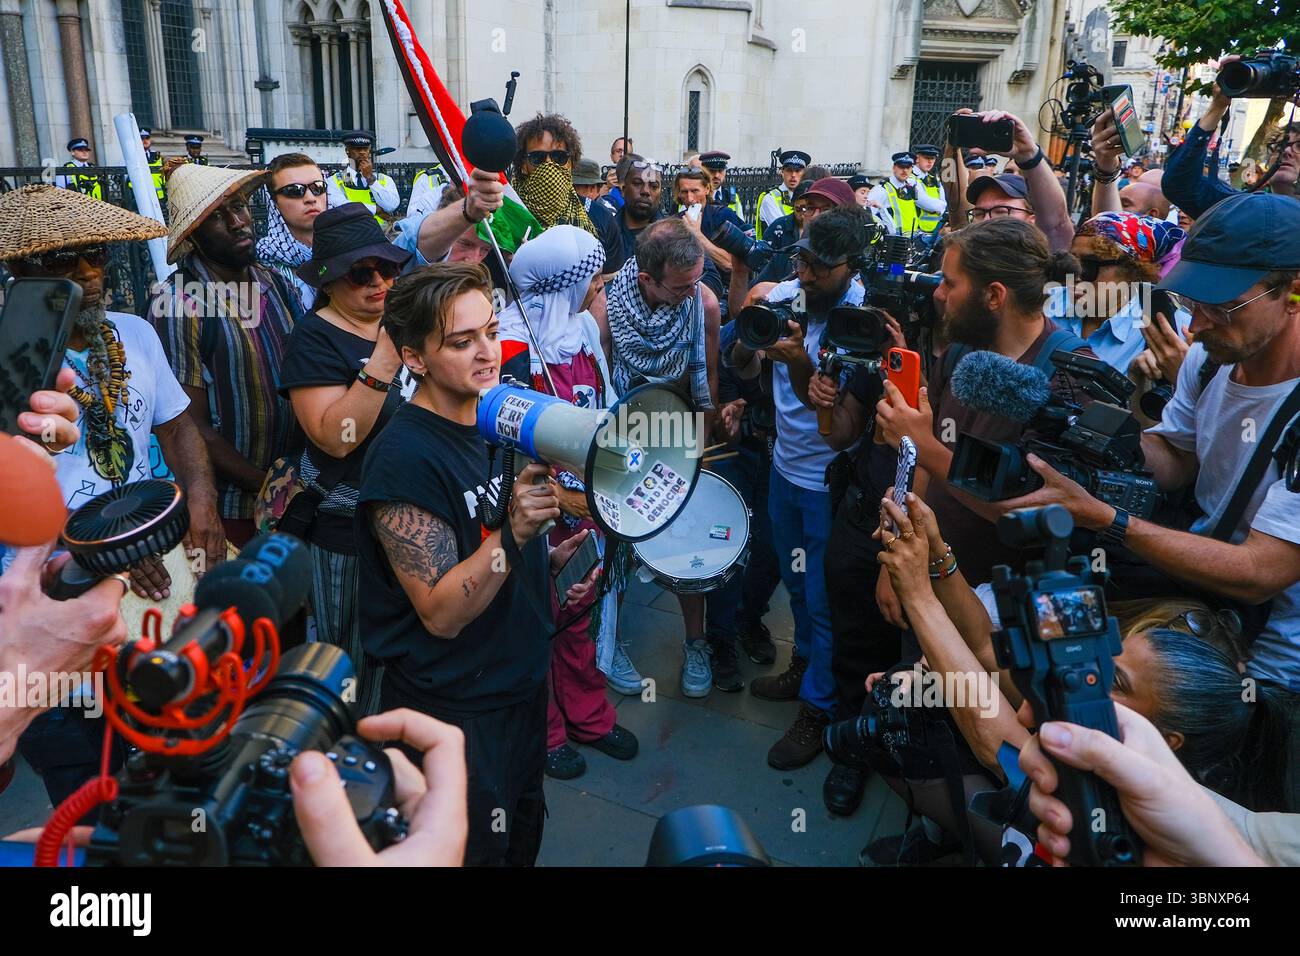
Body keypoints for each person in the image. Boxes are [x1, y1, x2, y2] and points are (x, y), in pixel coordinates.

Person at [990, 192, 1300, 803]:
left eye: (1221, 304)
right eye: (1191, 300)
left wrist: (1108, 519)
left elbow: (1263, 572)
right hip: (1191, 608)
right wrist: (1109, 434)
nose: (1198, 322)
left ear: (1292, 291)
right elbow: (1177, 460)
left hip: (1267, 671)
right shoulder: (1209, 360)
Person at [872, 492, 1293, 862]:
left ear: (1168, 740)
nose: (1088, 675)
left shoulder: (1128, 795)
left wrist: (918, 597)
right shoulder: (1090, 706)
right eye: (1105, 657)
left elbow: (991, 735)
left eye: (1119, 682)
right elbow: (984, 646)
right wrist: (937, 552)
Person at [356, 262, 597, 866]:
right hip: (454, 711)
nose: (487, 353)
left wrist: (546, 564)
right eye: (462, 342)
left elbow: (495, 550)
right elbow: (440, 613)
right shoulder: (404, 457)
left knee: (520, 841)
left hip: (519, 691)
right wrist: (515, 533)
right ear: (414, 358)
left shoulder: (497, 421)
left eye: (490, 331)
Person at [0, 184, 226, 807]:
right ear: (18, 275)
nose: (88, 274)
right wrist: (107, 552)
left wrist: (202, 503)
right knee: (90, 798)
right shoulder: (6, 363)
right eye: (61, 262)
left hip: (149, 588)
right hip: (52, 596)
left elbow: (177, 424)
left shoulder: (136, 333)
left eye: (95, 254)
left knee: (176, 776)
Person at [874, 218, 1094, 599]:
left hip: (999, 604)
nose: (938, 294)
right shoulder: (961, 350)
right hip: (929, 579)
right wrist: (901, 552)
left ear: (994, 296)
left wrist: (925, 445)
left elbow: (1033, 513)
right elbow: (924, 470)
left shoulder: (1069, 376)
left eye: (950, 283)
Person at [730, 206, 874, 770]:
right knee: (795, 587)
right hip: (784, 467)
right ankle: (805, 667)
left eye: (820, 268)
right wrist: (751, 330)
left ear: (850, 266)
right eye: (803, 261)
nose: (807, 276)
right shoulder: (788, 293)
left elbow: (838, 418)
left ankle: (820, 706)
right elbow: (742, 368)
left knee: (822, 599)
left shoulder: (862, 315)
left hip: (829, 482)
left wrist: (796, 360)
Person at [495, 225, 639, 779]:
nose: (598, 290)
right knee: (537, 622)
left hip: (585, 503)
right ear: (559, 284)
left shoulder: (579, 329)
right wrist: (557, 497)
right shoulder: (510, 344)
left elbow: (598, 409)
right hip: (538, 511)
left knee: (579, 609)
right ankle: (547, 731)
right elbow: (505, 451)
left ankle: (589, 715)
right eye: (592, 280)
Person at [279, 203, 414, 718]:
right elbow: (336, 439)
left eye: (388, 268)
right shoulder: (314, 337)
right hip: (349, 531)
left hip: (414, 520)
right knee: (355, 665)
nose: (378, 282)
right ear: (330, 281)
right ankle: (350, 780)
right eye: (361, 274)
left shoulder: (400, 322)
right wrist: (383, 359)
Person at [590, 219, 722, 697]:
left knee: (686, 543)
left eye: (697, 281)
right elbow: (599, 385)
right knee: (619, 544)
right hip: (622, 437)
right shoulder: (605, 307)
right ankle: (612, 641)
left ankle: (696, 643)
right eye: (681, 285)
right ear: (646, 279)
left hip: (677, 432)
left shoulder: (702, 302)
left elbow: (706, 385)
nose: (693, 292)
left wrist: (698, 454)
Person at [148, 162, 303, 548]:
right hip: (234, 512)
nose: (238, 222)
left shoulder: (275, 281)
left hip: (295, 497)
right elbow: (186, 421)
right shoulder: (178, 303)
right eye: (217, 216)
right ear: (194, 235)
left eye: (239, 207)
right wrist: (265, 483)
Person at [1045, 211, 1191, 378]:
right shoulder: (1043, 303)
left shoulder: (1174, 328)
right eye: (1071, 263)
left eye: (1089, 265)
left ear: (1132, 270)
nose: (1076, 276)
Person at [1164, 55, 1297, 219]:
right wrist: (1217, 106)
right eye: (1279, 146)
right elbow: (1179, 184)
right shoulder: (1243, 209)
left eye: (1299, 146)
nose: (1287, 151)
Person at [947, 109, 1073, 253]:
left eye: (1001, 212)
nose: (987, 220)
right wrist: (952, 143)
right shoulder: (969, 248)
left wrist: (1028, 155)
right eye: (979, 213)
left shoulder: (1050, 253)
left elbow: (1057, 226)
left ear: (1032, 218)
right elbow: (953, 194)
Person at [512, 112, 622, 276]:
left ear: (571, 163)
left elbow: (607, 285)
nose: (549, 166)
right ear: (523, 164)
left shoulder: (598, 217)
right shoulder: (509, 215)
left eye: (559, 157)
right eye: (537, 158)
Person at [257, 152, 329, 310]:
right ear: (274, 202)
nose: (310, 198)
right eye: (294, 190)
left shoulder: (347, 251)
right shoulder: (261, 270)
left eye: (318, 187)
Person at [326, 131, 400, 225]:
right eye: (357, 149)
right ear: (347, 151)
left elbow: (391, 205)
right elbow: (343, 207)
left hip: (381, 233)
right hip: (351, 233)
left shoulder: (384, 179)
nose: (362, 152)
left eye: (365, 148)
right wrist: (376, 210)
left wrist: (371, 179)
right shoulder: (335, 180)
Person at [867, 152, 935, 236]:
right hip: (893, 240)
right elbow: (868, 215)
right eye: (901, 167)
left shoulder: (911, 188)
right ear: (894, 168)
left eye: (908, 167)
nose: (905, 170)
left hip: (912, 239)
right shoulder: (882, 189)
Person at [755, 149, 810, 240]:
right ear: (782, 172)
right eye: (789, 170)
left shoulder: (808, 196)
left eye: (798, 171)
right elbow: (785, 231)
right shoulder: (770, 198)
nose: (793, 175)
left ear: (804, 173)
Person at [700, 150, 745, 222]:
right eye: (712, 171)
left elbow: (741, 225)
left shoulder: (732, 196)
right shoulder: (697, 195)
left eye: (720, 171)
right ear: (704, 172)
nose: (716, 175)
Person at [911, 144, 947, 233]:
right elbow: (926, 203)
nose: (930, 162)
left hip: (936, 229)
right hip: (917, 230)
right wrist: (939, 205)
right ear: (917, 158)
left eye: (933, 159)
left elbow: (944, 202)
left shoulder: (934, 179)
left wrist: (940, 205)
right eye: (927, 158)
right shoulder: (910, 179)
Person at [138, 128, 166, 204]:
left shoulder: (156, 155)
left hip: (159, 194)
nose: (145, 141)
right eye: (142, 138)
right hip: (142, 194)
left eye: (147, 138)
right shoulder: (134, 155)